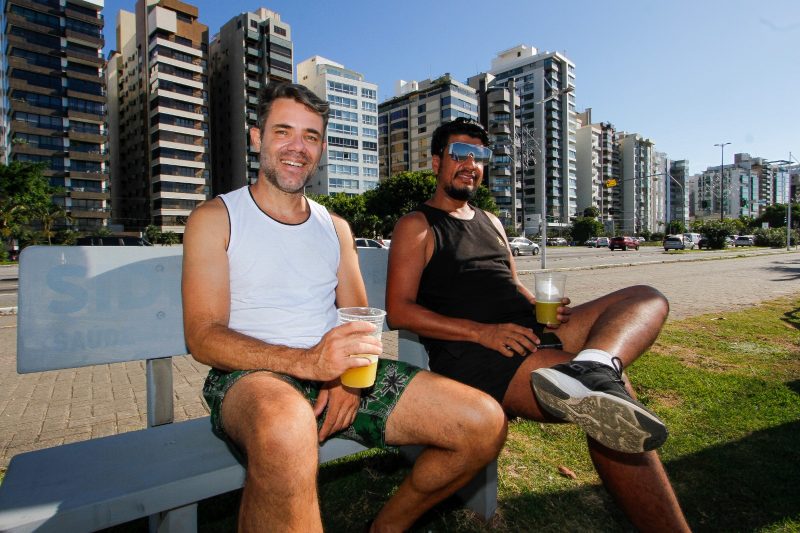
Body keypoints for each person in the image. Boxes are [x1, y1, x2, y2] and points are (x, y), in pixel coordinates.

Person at [181, 84, 506, 532]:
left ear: (322, 149)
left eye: (311, 136)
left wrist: (348, 380)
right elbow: (203, 336)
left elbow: (359, 319)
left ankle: (386, 526)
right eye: (283, 131)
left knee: (484, 423)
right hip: (250, 376)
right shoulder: (215, 218)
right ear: (257, 138)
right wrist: (309, 363)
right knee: (285, 429)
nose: (298, 147)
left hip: (338, 373)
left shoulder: (335, 227)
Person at [386, 117, 691, 531]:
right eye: (460, 154)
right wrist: (482, 332)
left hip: (528, 329)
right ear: (437, 162)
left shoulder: (491, 221)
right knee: (612, 408)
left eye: (480, 156)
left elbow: (510, 283)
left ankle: (595, 365)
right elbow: (400, 311)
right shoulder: (418, 225)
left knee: (645, 298)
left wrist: (540, 306)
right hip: (477, 353)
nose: (471, 164)